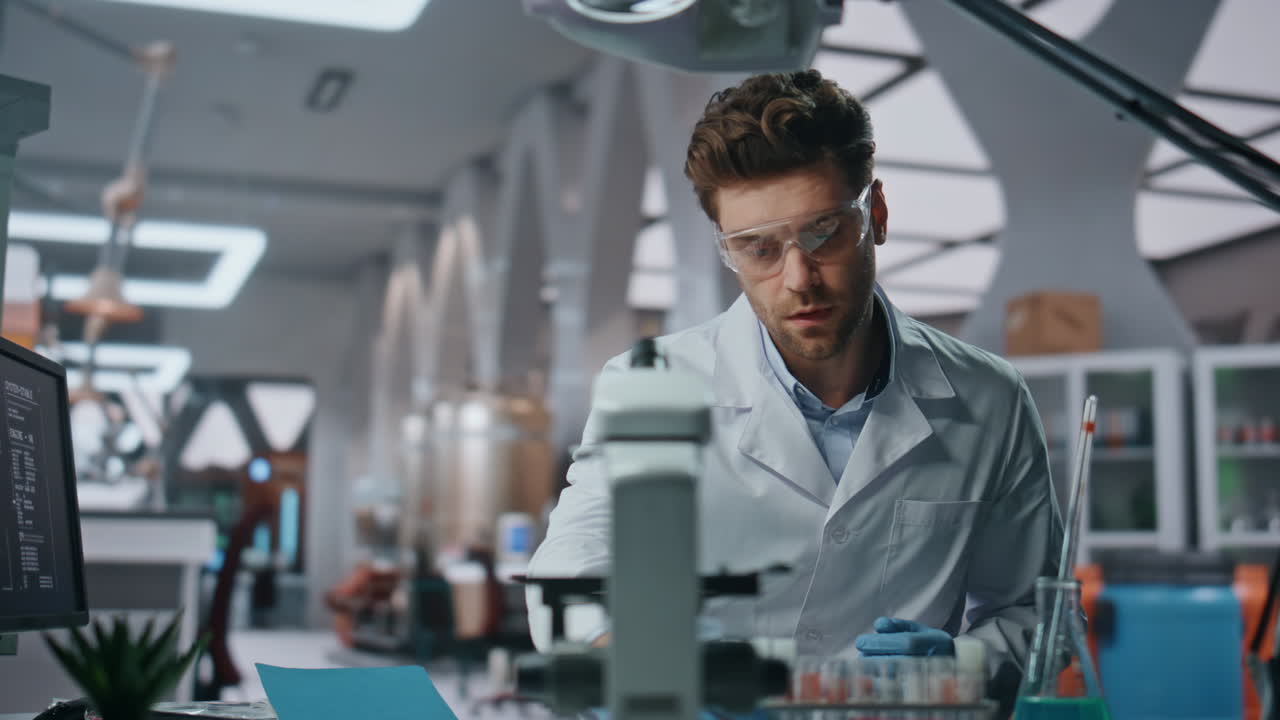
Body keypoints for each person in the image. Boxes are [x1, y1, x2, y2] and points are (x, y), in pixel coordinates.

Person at [526, 69, 1062, 688]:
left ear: (876, 215)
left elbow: (1033, 613)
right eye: (759, 248)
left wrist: (962, 664)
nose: (799, 277)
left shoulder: (989, 399)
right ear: (728, 251)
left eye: (824, 231)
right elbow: (571, 571)